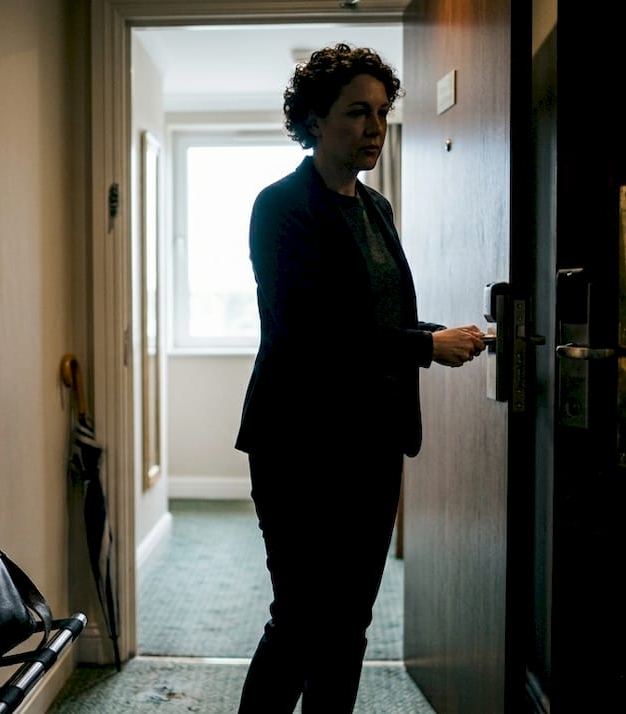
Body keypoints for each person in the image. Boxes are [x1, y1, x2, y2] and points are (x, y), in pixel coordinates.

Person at [234, 43, 486, 712]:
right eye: (355, 113)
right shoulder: (280, 207)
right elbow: (307, 329)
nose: (373, 128)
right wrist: (427, 346)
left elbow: (377, 316)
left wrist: (440, 332)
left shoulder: (377, 210)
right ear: (315, 121)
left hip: (374, 445)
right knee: (301, 620)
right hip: (299, 445)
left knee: (348, 624)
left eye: (381, 113)